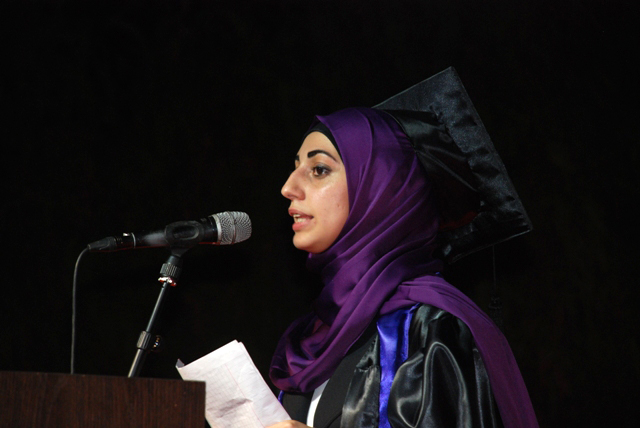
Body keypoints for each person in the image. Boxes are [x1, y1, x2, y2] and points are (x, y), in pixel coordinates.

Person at [267, 68, 538, 428]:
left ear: (381, 190)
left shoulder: (433, 328)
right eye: (295, 167)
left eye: (318, 170)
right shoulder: (312, 336)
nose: (288, 187)